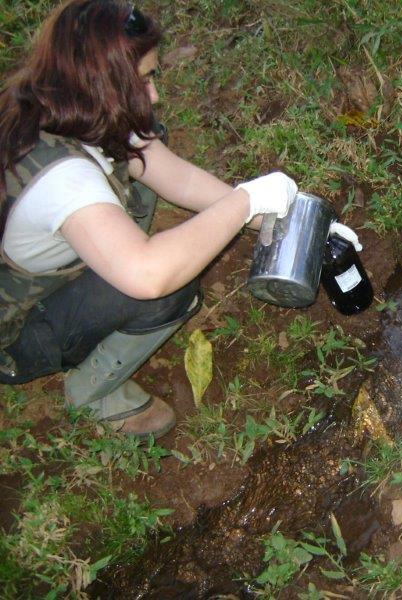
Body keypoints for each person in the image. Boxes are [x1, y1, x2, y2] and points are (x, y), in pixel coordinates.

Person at [0, 0, 298, 438]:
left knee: (139, 156)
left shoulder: (66, 101)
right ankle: (92, 394)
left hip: (55, 249)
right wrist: (244, 203)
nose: (154, 93)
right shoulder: (62, 180)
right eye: (142, 80)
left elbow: (175, 176)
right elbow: (149, 275)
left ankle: (109, 249)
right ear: (102, 83)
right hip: (18, 327)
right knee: (165, 288)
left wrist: (274, 214)